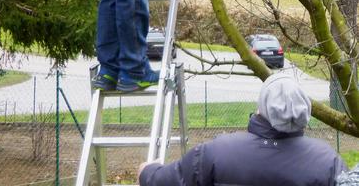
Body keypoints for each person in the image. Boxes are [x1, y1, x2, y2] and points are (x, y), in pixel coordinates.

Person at [138, 73, 347, 186]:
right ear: (305, 110)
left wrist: (146, 171)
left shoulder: (216, 151)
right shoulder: (329, 161)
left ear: (261, 108)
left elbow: (166, 182)